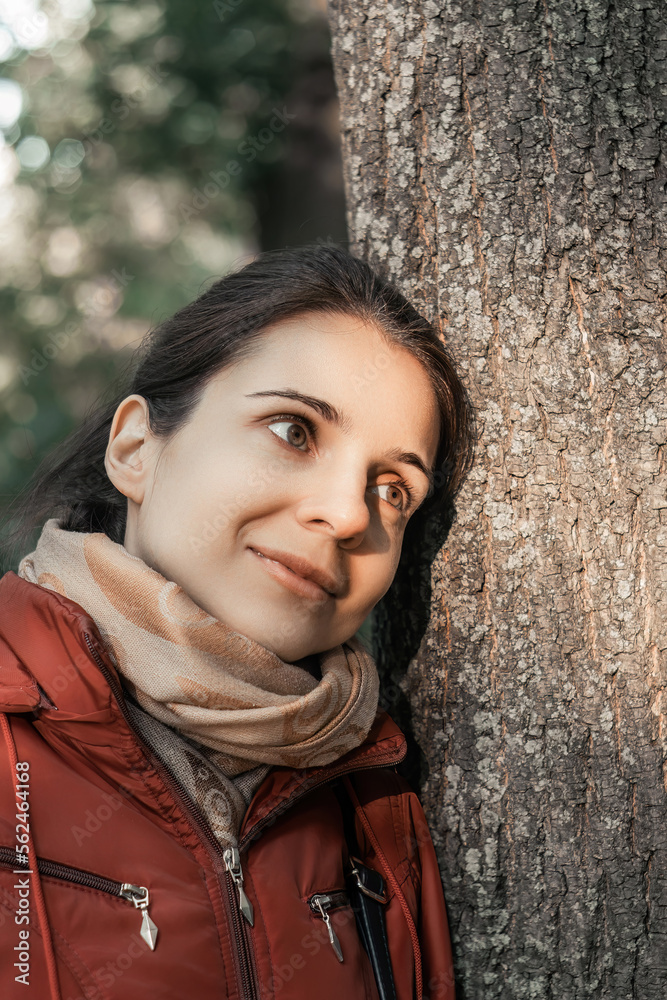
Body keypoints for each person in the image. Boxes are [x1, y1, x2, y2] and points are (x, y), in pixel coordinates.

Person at [0, 244, 473, 1000]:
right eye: (294, 431)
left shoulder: (375, 801)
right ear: (135, 449)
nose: (349, 513)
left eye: (392, 489)